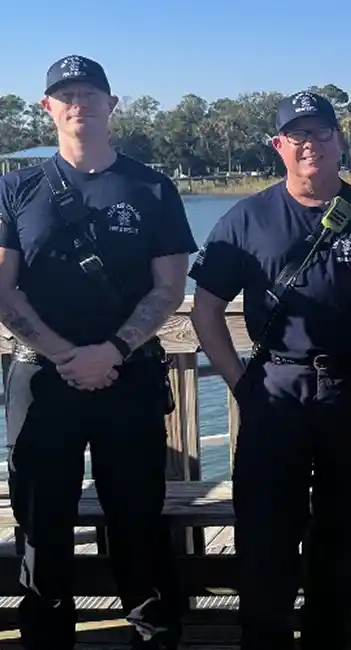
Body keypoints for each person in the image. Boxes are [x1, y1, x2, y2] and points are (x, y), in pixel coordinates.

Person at [0, 55, 195, 650]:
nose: (79, 102)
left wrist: (111, 350)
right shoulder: (14, 187)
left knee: (137, 519)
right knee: (41, 524)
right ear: (48, 109)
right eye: (67, 94)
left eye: (91, 93)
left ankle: (152, 634)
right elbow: (1, 288)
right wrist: (65, 355)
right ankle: (46, 637)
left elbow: (170, 287)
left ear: (112, 105)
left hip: (129, 376)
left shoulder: (152, 186)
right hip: (40, 378)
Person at [187, 90, 351, 650]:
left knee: (341, 531)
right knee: (266, 533)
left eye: (321, 133)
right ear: (279, 145)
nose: (310, 145)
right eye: (297, 135)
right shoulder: (247, 217)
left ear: (339, 140)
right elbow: (205, 308)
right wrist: (239, 382)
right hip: (275, 391)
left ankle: (326, 639)